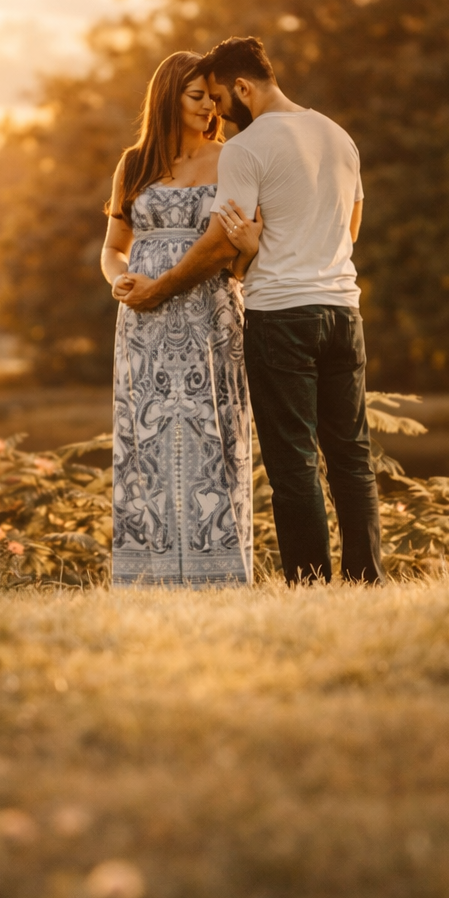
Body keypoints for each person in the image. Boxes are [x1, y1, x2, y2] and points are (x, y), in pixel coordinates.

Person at [118, 36, 385, 586]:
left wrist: (164, 286)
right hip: (342, 309)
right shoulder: (338, 135)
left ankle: (310, 585)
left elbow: (219, 241)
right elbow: (350, 229)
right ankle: (366, 581)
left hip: (282, 314)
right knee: (352, 458)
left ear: (243, 87)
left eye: (219, 96)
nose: (218, 110)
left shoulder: (246, 147)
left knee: (293, 464)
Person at [101, 52, 261, 586]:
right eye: (197, 97)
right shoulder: (134, 163)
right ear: (168, 97)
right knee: (144, 443)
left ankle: (218, 574)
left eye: (212, 97)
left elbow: (237, 243)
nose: (210, 107)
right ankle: (147, 576)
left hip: (208, 317)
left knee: (211, 436)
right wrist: (118, 280)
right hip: (142, 326)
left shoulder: (231, 158)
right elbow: (113, 248)